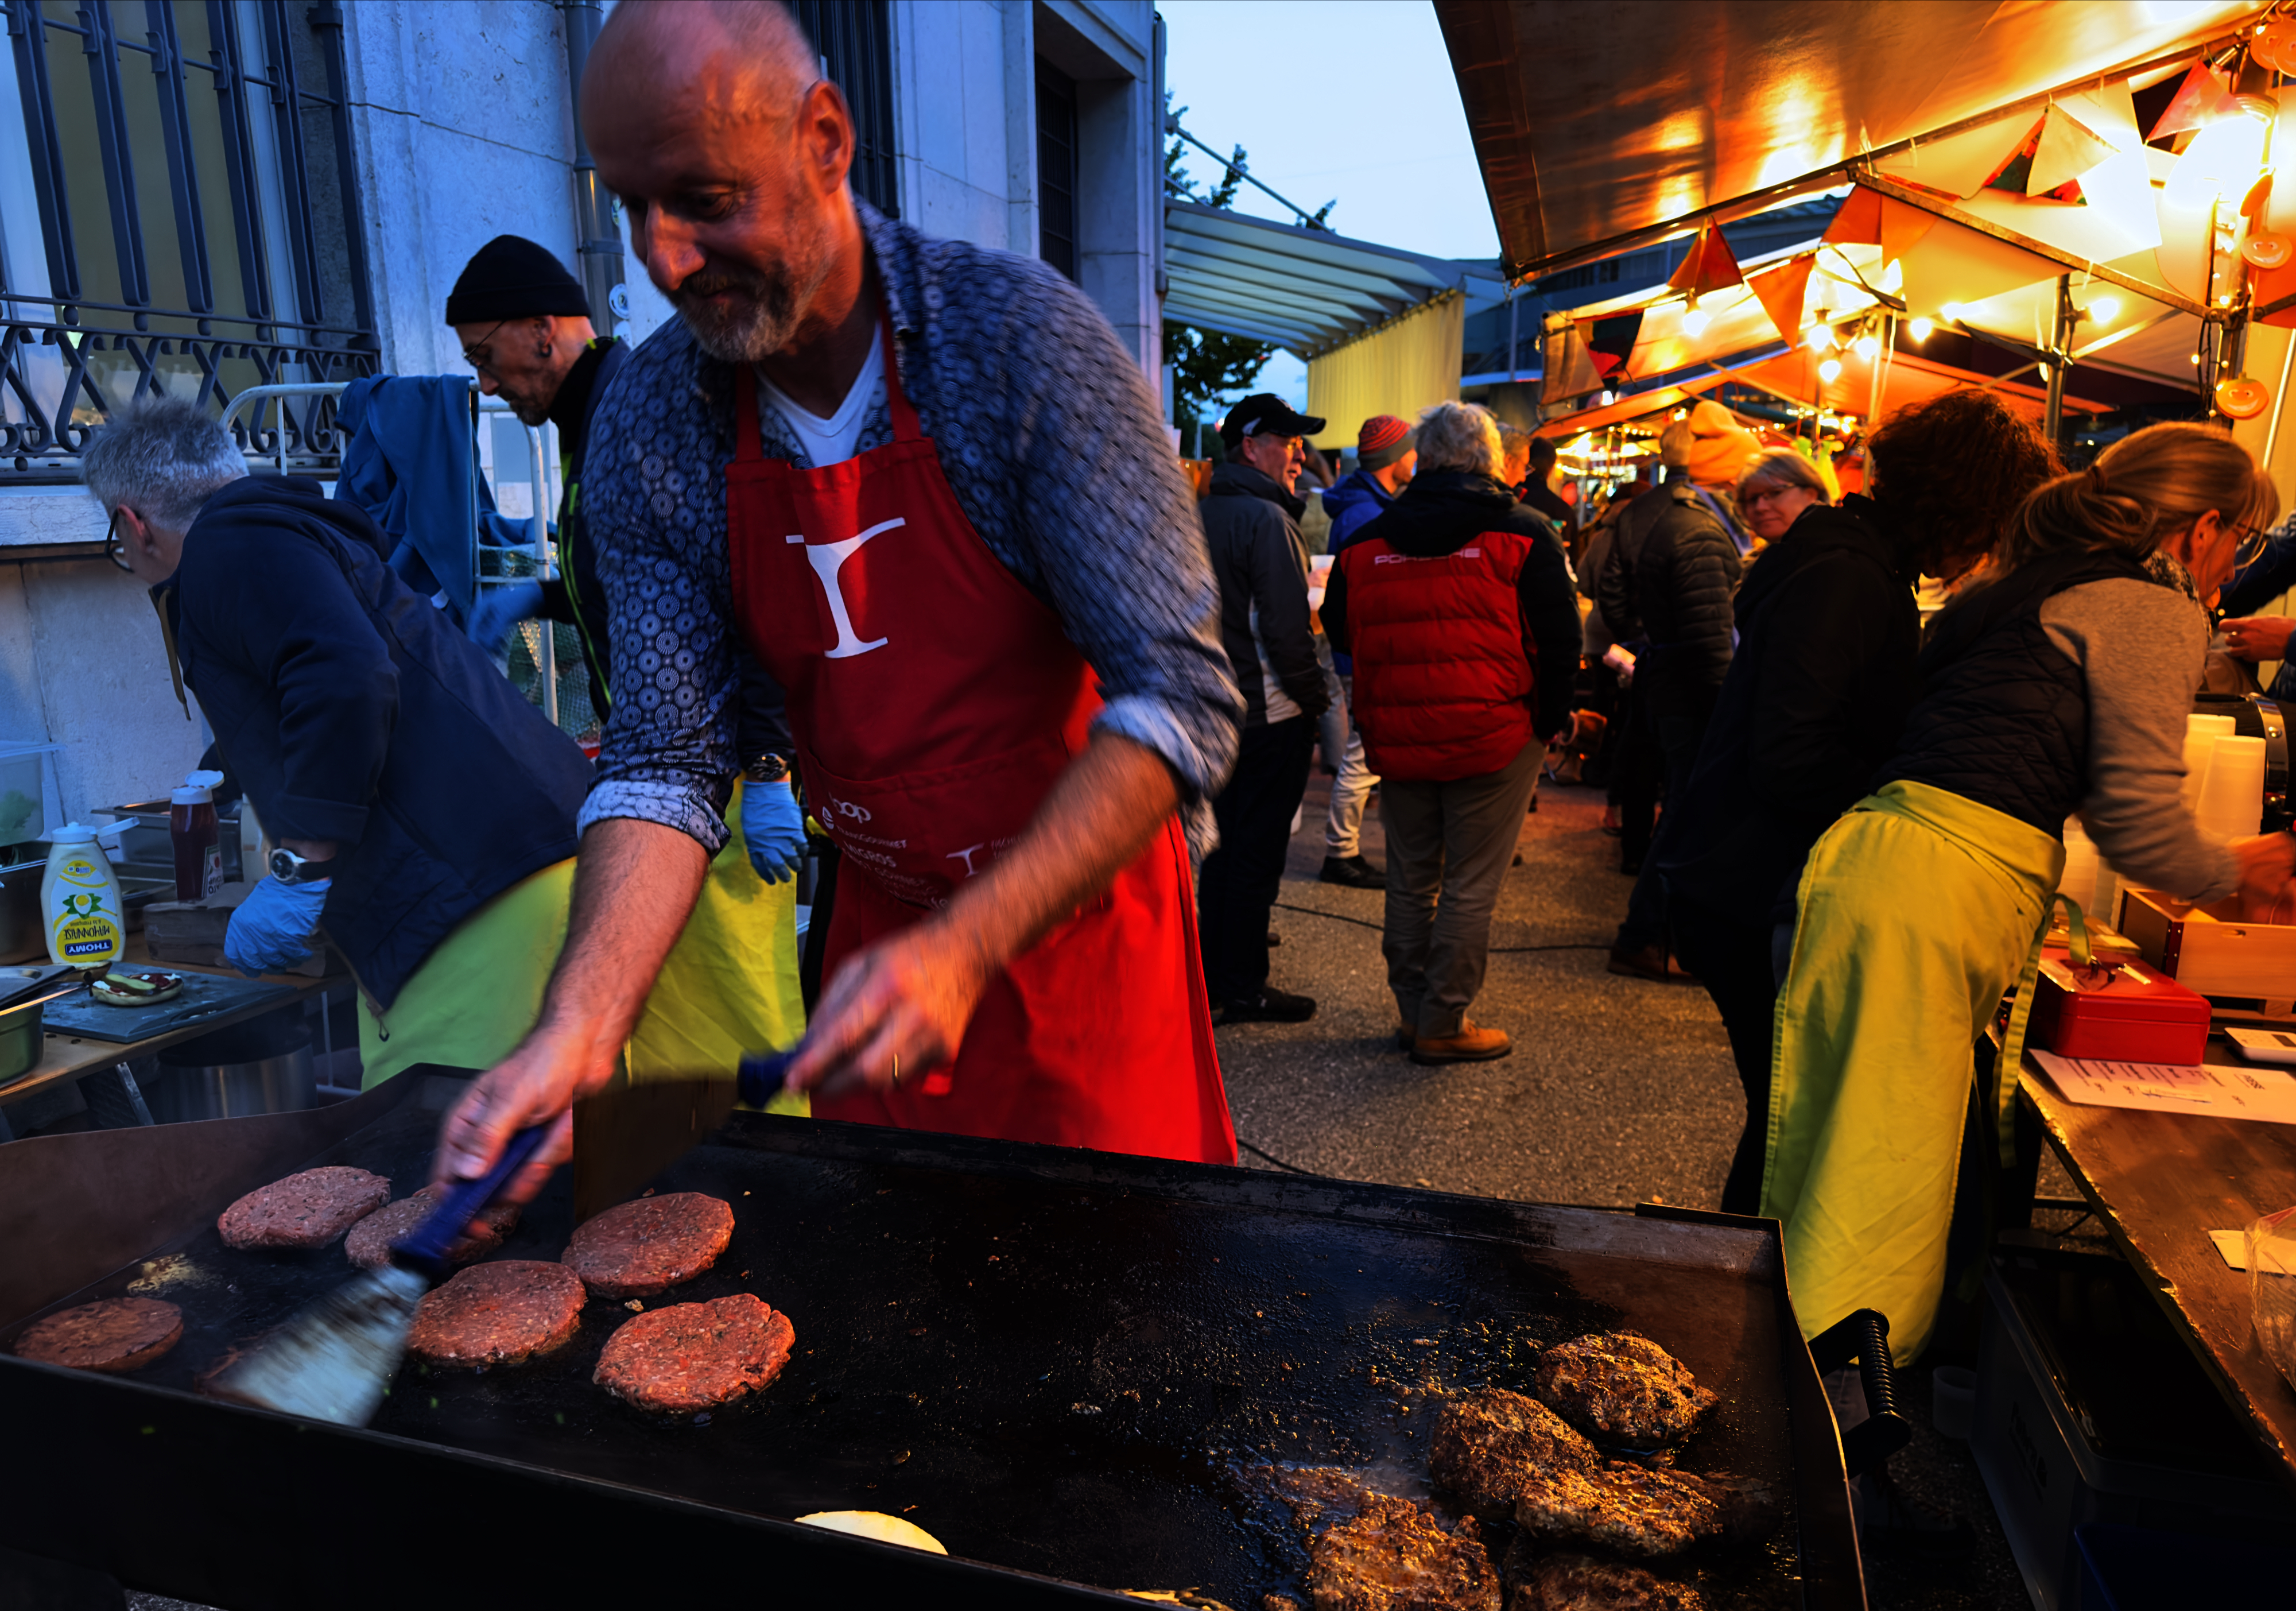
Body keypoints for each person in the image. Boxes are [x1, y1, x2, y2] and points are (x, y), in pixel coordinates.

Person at [435, 0, 1243, 1200]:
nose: (663, 259)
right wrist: (580, 1025)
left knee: (1119, 1307)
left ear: (824, 139)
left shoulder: (1020, 350)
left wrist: (966, 947)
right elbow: (664, 757)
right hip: (878, 924)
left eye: (705, 199)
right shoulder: (653, 425)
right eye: (630, 208)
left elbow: (1182, 701)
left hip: (1081, 926)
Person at [1768, 422, 2296, 1365]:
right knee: (1880, 1182)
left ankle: (1795, 1396)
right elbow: (2138, 825)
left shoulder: (2026, 580)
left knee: (1828, 1159)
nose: (2237, 570)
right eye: (2246, 544)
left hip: (1876, 863)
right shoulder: (2152, 605)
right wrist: (2235, 872)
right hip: (1938, 885)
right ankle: (1823, 1432)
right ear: (2201, 530)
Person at [81, 397, 596, 1087]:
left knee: (464, 1171)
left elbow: (345, 676)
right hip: (525, 872)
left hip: (476, 907)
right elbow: (290, 696)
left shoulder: (226, 549)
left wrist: (302, 867)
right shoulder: (274, 533)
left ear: (132, 524)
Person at [1656, 394, 2059, 1214]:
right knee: (1791, 1122)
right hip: (1749, 887)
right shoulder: (1847, 575)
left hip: (1736, 878)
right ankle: (1742, 1298)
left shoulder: (1848, 560)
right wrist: (1904, 817)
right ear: (1967, 502)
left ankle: (1744, 1291)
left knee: (1788, 1119)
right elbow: (1793, 751)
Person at [444, 234, 808, 1086]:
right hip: (681, 779)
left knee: (745, 1014)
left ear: (541, 330)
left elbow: (745, 593)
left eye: (485, 356)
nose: (486, 384)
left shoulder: (635, 412)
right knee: (696, 1030)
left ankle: (775, 1166)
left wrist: (769, 769)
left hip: (720, 777)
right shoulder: (586, 419)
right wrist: (546, 598)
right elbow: (650, 585)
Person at [1324, 402, 1583, 1064]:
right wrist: (1547, 724)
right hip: (1493, 734)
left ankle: (1413, 1014)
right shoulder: (1524, 534)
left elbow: (1343, 633)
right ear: (1489, 458)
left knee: (1412, 879)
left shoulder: (1361, 544)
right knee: (1470, 883)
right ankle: (1444, 1020)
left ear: (1426, 458)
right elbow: (1559, 644)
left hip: (1399, 733)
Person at [1605, 401, 1756, 980]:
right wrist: (1729, 710)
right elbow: (1709, 639)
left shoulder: (1679, 518)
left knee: (1684, 811)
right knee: (1688, 815)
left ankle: (1651, 932)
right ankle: (1643, 934)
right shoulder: (1698, 530)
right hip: (1692, 695)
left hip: (1670, 679)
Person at [1199, 392, 1332, 1021]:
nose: (1299, 456)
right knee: (1255, 855)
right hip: (1267, 713)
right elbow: (1286, 632)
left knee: (1222, 853)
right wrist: (1317, 701)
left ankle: (1213, 976)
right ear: (1251, 446)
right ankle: (1243, 985)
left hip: (1211, 711)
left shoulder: (1196, 511)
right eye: (1289, 441)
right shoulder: (1266, 520)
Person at [1314, 416, 1417, 889]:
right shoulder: (1366, 516)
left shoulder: (1365, 505)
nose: (1417, 458)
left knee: (1367, 748)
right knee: (1365, 750)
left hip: (1360, 647)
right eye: (1411, 450)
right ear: (1394, 459)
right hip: (1366, 650)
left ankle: (1346, 848)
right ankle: (1341, 852)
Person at [1732, 447, 1830, 549]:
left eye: (1775, 493)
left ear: (1811, 495)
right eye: (1753, 499)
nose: (1760, 508)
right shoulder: (1761, 562)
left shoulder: (1835, 557)